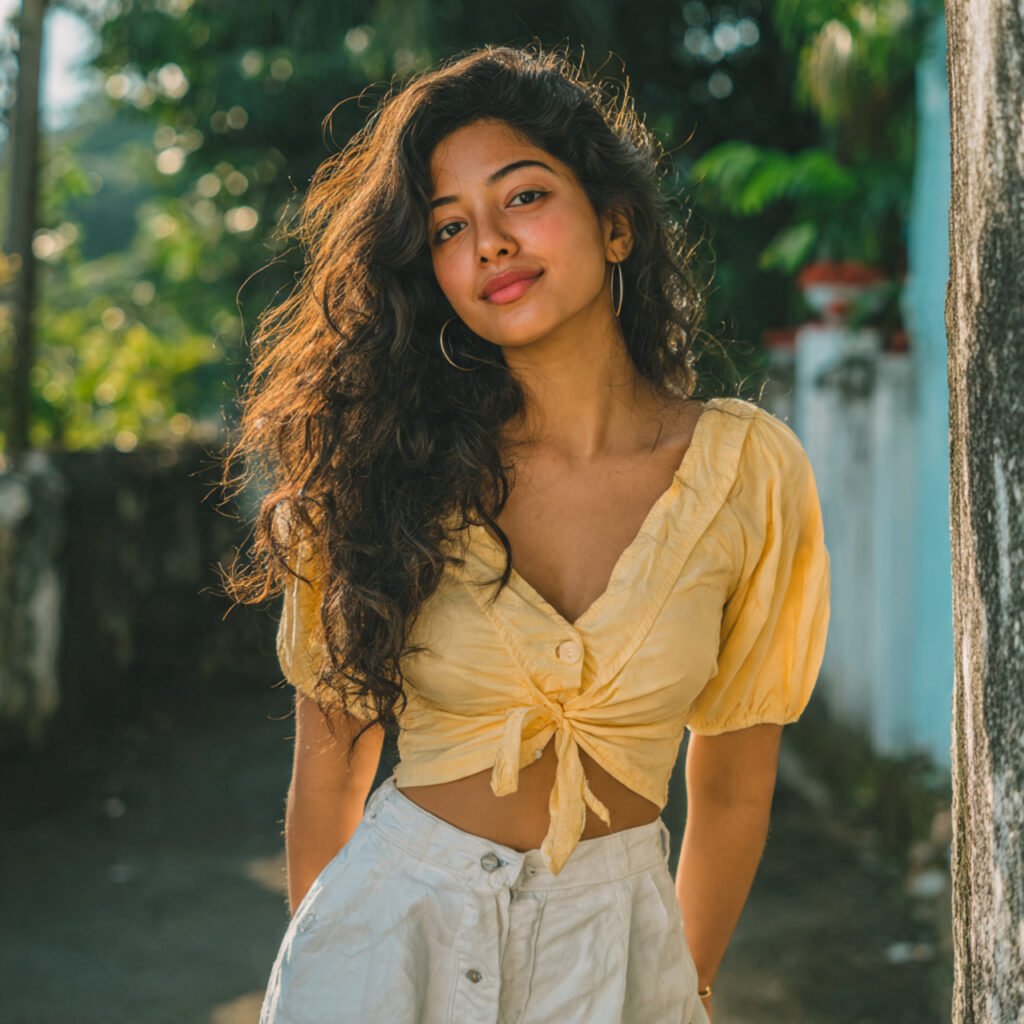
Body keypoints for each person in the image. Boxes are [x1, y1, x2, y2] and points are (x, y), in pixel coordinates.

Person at [225, 42, 831, 1024]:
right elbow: (329, 778)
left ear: (616, 224)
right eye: (449, 226)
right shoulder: (382, 470)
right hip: (388, 945)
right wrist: (327, 970)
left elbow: (730, 789)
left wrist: (682, 986)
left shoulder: (746, 472)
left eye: (524, 196)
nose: (490, 244)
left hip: (620, 957)